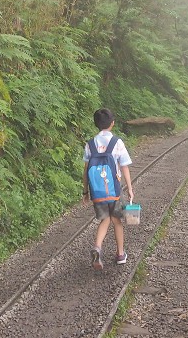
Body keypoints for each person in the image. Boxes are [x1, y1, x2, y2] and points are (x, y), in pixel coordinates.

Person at [82, 108, 134, 270]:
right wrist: (130, 189)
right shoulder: (117, 142)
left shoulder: (90, 144)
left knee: (105, 219)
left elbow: (85, 170)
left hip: (97, 191)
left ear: (96, 124)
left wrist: (85, 191)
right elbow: (124, 166)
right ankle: (120, 254)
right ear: (112, 123)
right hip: (114, 191)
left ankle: (97, 247)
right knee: (117, 221)